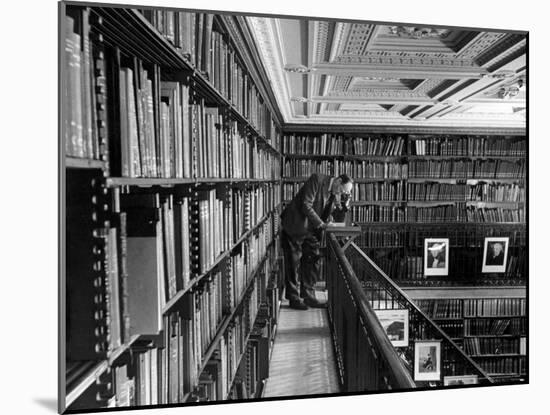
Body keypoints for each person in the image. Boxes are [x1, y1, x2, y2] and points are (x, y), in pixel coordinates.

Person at [280, 173, 353, 310]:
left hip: (311, 229)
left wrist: (343, 206)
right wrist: (322, 224)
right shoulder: (317, 180)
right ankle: (293, 298)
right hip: (295, 224)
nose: (342, 193)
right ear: (337, 181)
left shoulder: (335, 193)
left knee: (314, 258)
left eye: (346, 192)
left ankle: (309, 296)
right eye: (343, 190)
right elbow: (306, 205)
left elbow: (330, 213)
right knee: (293, 262)